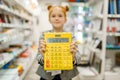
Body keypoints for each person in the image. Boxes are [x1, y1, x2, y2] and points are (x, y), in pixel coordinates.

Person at [36, 5, 80, 80]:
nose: (57, 18)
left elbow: (78, 57)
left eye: (60, 16)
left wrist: (73, 57)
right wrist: (43, 56)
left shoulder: (71, 36)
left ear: (65, 19)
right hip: (47, 76)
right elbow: (38, 56)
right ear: (49, 19)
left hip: (66, 75)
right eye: (53, 16)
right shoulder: (44, 36)